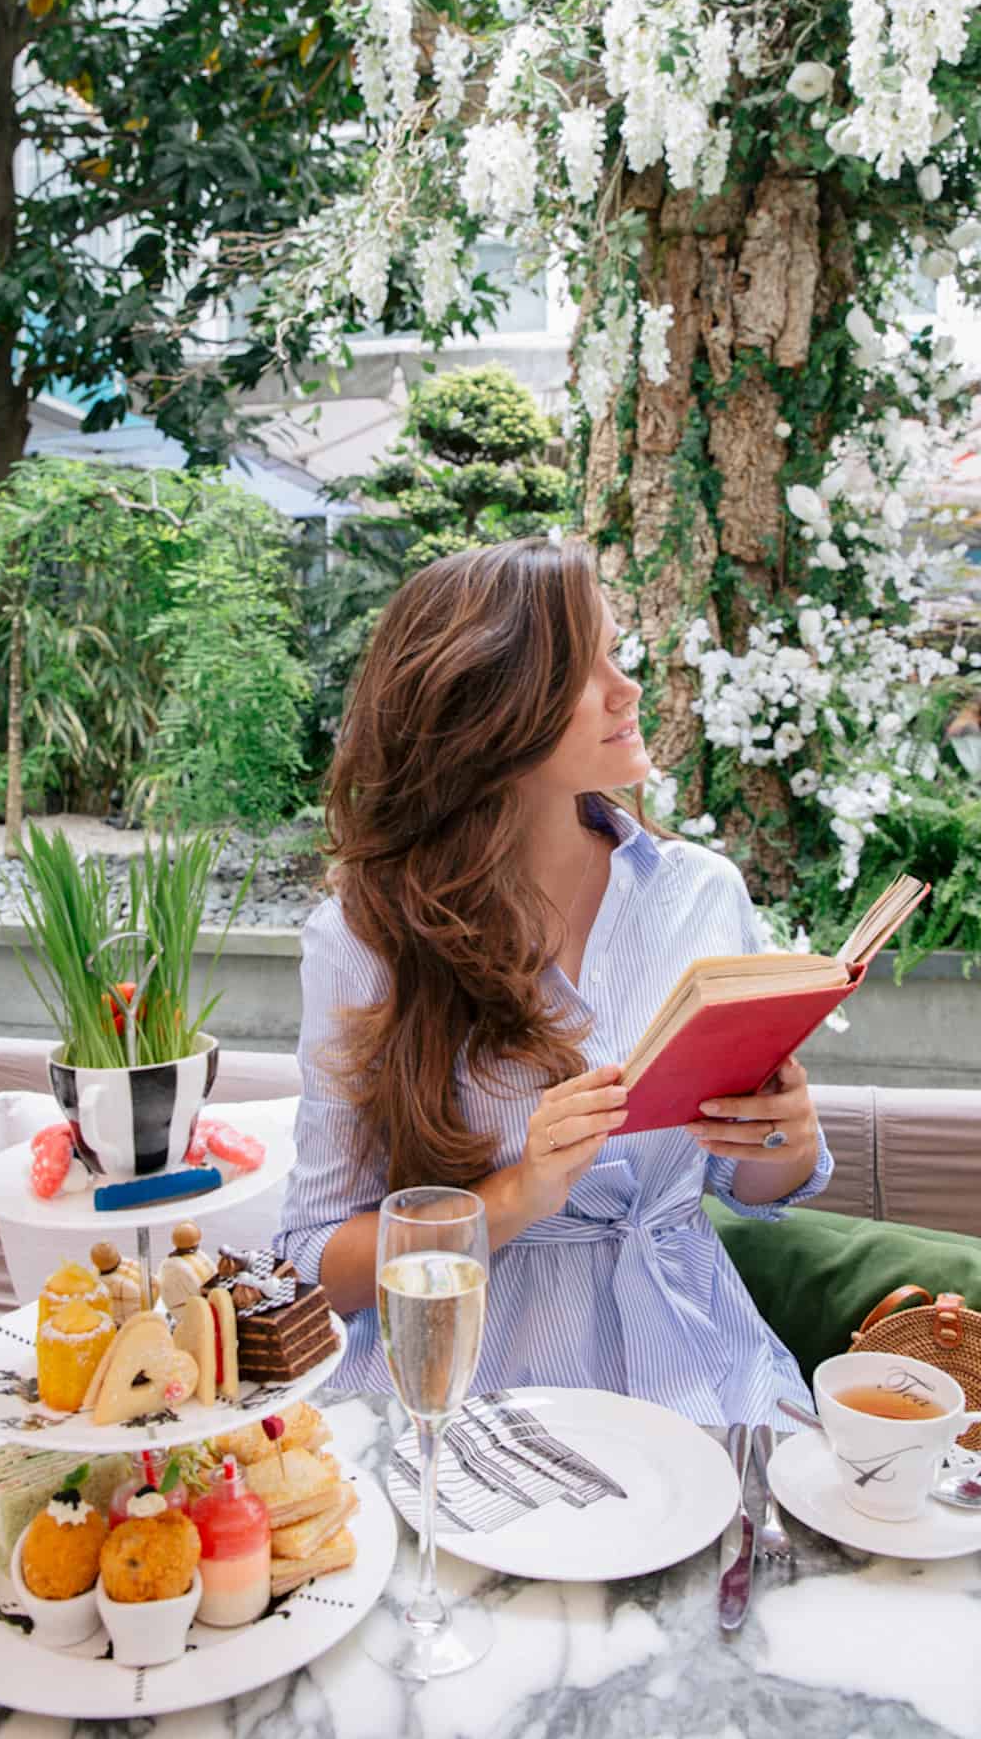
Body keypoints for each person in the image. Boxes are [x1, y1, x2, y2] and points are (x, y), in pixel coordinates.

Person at [274, 537, 832, 1426]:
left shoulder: (701, 893)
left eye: (619, 653)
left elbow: (751, 1190)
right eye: (587, 668)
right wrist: (514, 1196)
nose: (627, 688)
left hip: (698, 1368)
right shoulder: (366, 936)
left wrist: (784, 1138)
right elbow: (314, 1257)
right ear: (489, 708)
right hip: (463, 1383)